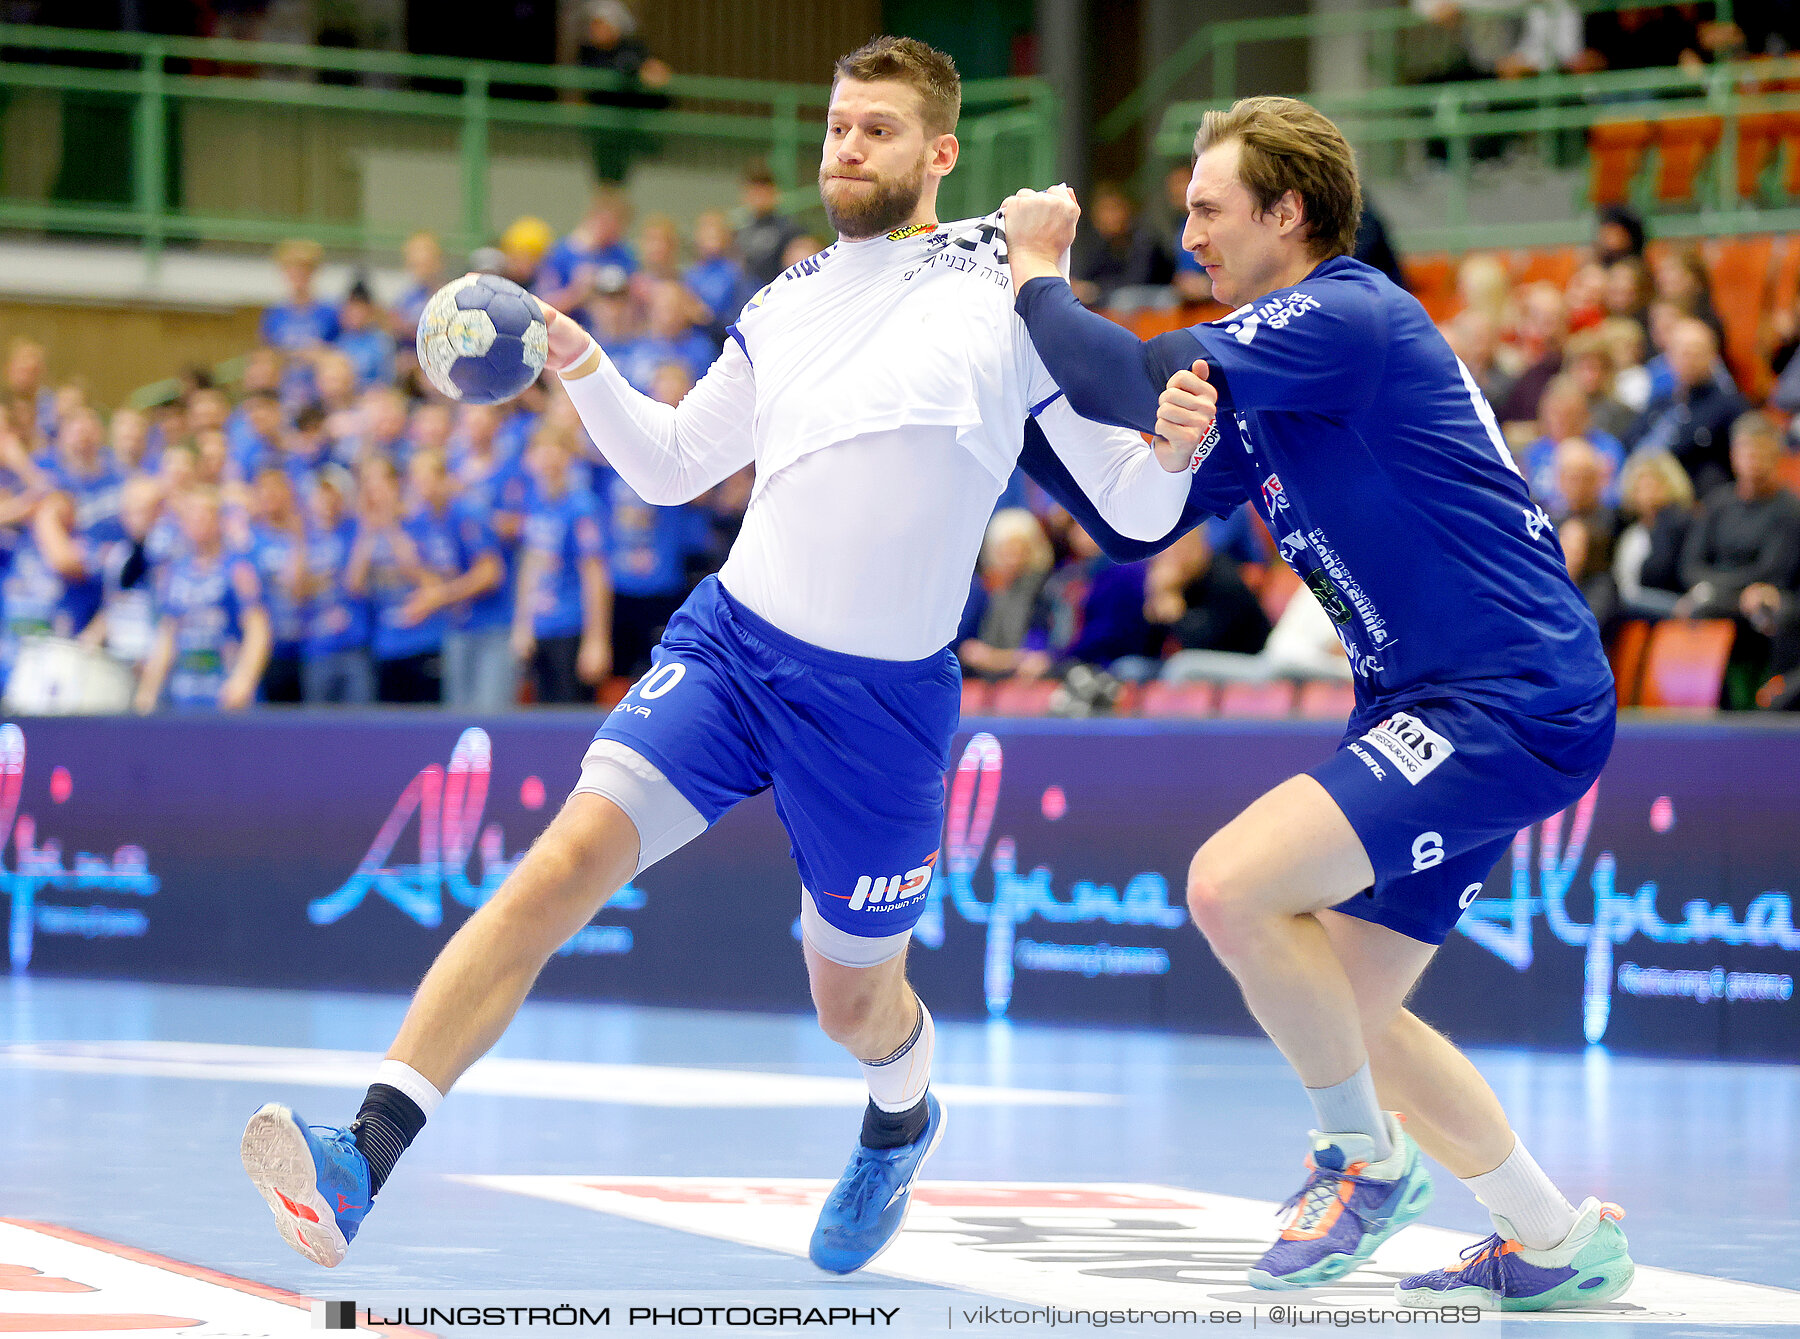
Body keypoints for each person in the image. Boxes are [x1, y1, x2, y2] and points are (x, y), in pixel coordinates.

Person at [240, 34, 1192, 1278]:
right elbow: (675, 463)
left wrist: (1169, 444)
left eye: (880, 129)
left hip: (882, 703)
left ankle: (901, 1113)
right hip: (735, 648)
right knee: (549, 875)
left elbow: (1132, 514)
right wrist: (584, 360)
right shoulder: (783, 302)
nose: (848, 147)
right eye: (839, 125)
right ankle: (363, 1153)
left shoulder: (1008, 291)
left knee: (852, 1001)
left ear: (940, 153)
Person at [1001, 94, 1629, 1308]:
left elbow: (1135, 369)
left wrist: (1035, 274)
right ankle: (1553, 1239)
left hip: (1504, 699)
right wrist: (1004, 406)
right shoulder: (1277, 375)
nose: (1190, 235)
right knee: (1343, 1010)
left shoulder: (1345, 315)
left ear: (1288, 214)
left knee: (1232, 885)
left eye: (1208, 209)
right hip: (1438, 703)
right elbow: (1140, 518)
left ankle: (1357, 1159)